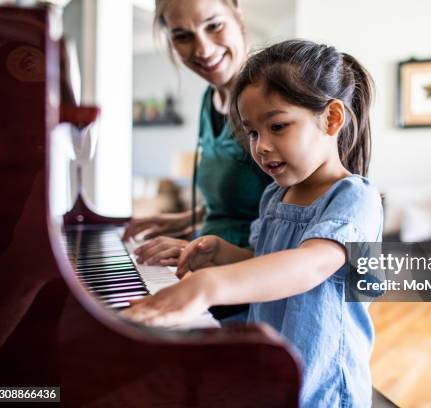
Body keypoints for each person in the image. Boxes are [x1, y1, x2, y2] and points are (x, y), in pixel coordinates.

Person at [122, 39, 383, 406]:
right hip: (273, 376)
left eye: (277, 126)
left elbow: (308, 266)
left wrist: (209, 286)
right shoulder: (275, 196)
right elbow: (266, 263)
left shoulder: (354, 198)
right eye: (253, 132)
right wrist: (222, 254)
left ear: (332, 118)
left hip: (323, 390)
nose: (260, 146)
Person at [122, 0, 271, 266]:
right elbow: (246, 203)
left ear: (238, 14)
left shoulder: (274, 96)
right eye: (182, 36)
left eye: (214, 25)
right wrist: (186, 219)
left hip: (251, 288)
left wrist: (366, 286)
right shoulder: (209, 100)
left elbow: (322, 211)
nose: (202, 49)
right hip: (213, 279)